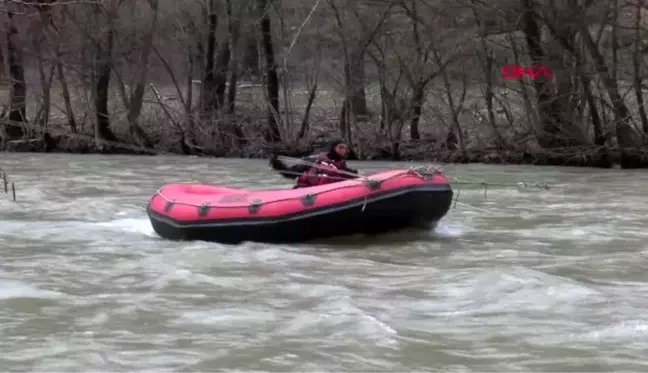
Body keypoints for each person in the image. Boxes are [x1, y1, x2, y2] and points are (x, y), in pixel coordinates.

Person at [269, 139, 359, 188]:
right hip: (309, 192)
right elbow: (292, 172)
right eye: (340, 147)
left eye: (345, 149)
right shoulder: (316, 159)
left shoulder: (342, 166)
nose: (343, 151)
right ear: (333, 148)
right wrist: (277, 163)